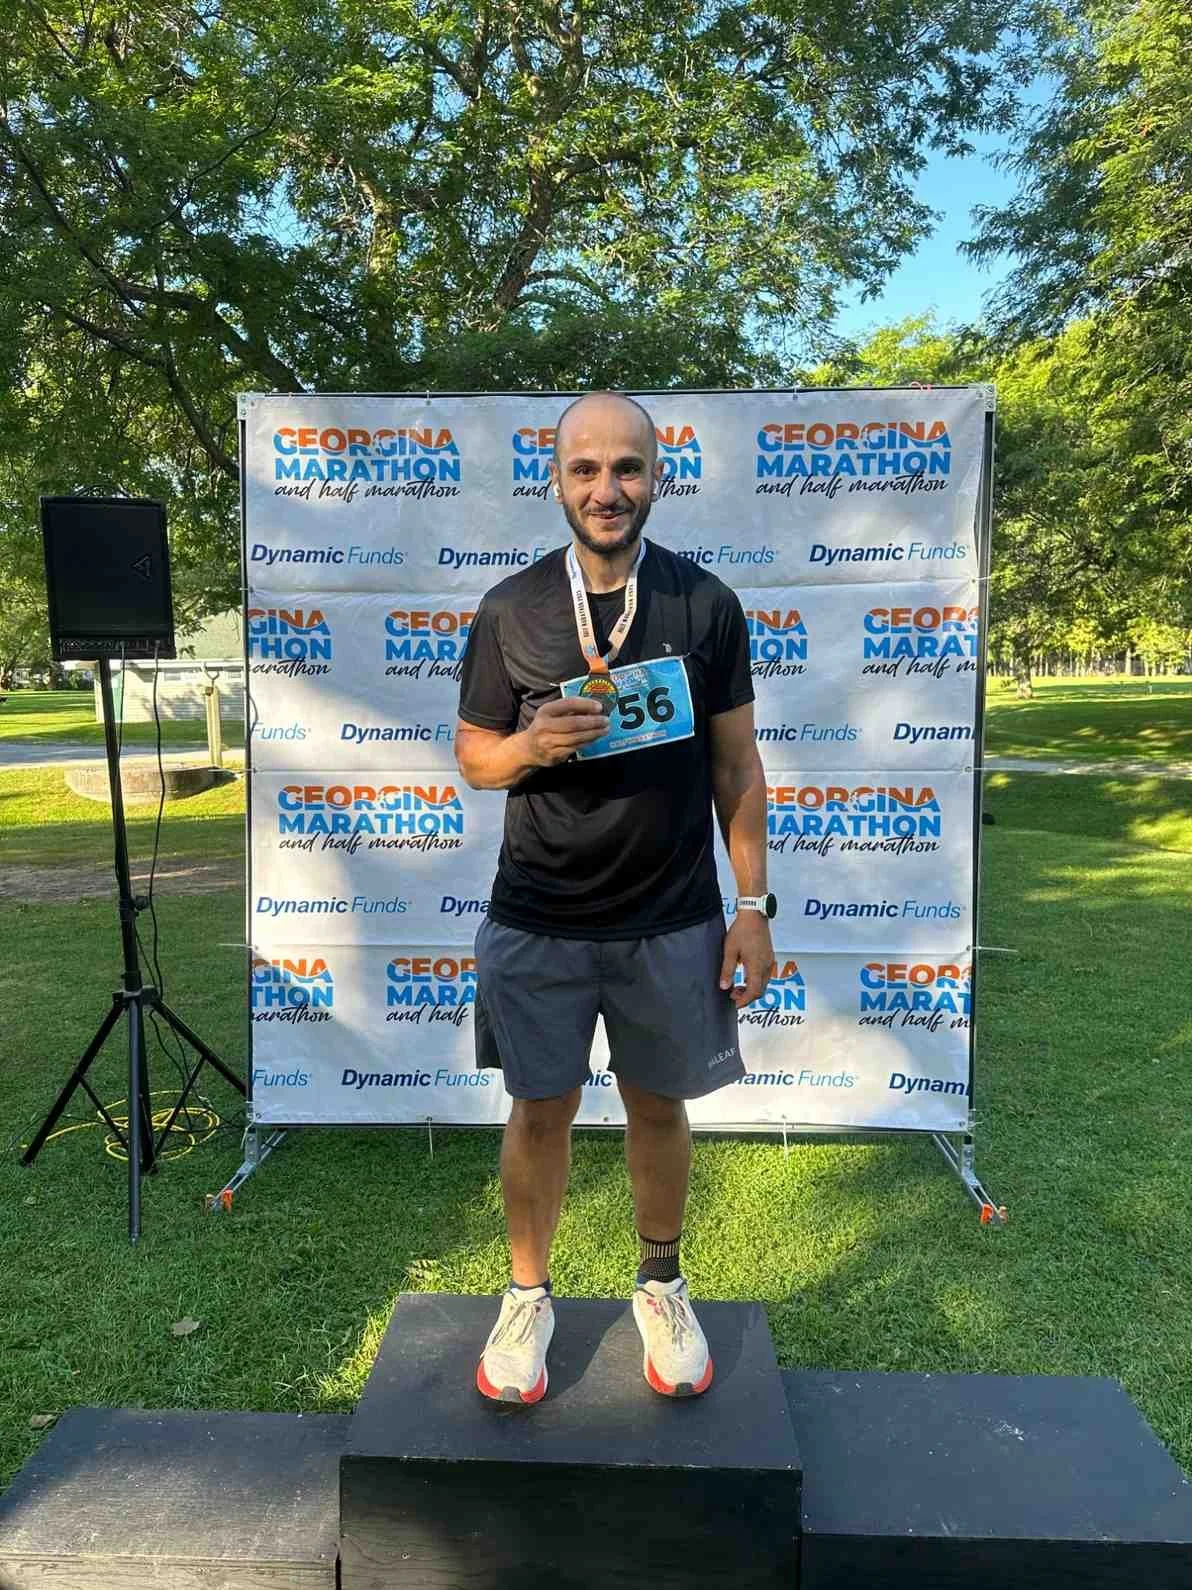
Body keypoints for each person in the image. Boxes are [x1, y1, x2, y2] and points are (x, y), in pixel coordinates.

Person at [455, 390, 776, 1405]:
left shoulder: (704, 605)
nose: (607, 488)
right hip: (538, 916)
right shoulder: (510, 609)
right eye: (585, 469)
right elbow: (473, 758)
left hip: (672, 918)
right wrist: (528, 744)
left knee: (657, 1108)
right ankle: (525, 1297)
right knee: (536, 1112)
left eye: (626, 467)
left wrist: (753, 907)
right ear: (555, 480)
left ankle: (661, 1282)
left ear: (657, 475)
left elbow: (738, 772)